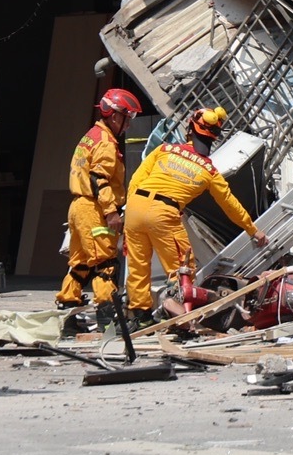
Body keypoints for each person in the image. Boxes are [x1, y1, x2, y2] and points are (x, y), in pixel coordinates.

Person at [122, 106, 265, 322]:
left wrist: (132, 210)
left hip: (135, 206)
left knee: (138, 266)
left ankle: (139, 317)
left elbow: (135, 180)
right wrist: (253, 231)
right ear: (215, 138)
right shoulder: (208, 170)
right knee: (182, 269)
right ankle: (181, 318)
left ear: (190, 129)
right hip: (164, 212)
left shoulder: (164, 150)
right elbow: (229, 204)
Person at [55, 87, 138, 328]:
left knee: (80, 264)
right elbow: (98, 178)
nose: (128, 126)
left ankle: (68, 313)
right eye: (127, 119)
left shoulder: (91, 136)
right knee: (106, 263)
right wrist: (111, 212)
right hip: (93, 209)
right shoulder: (106, 143)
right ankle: (108, 316)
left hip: (78, 208)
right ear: (115, 116)